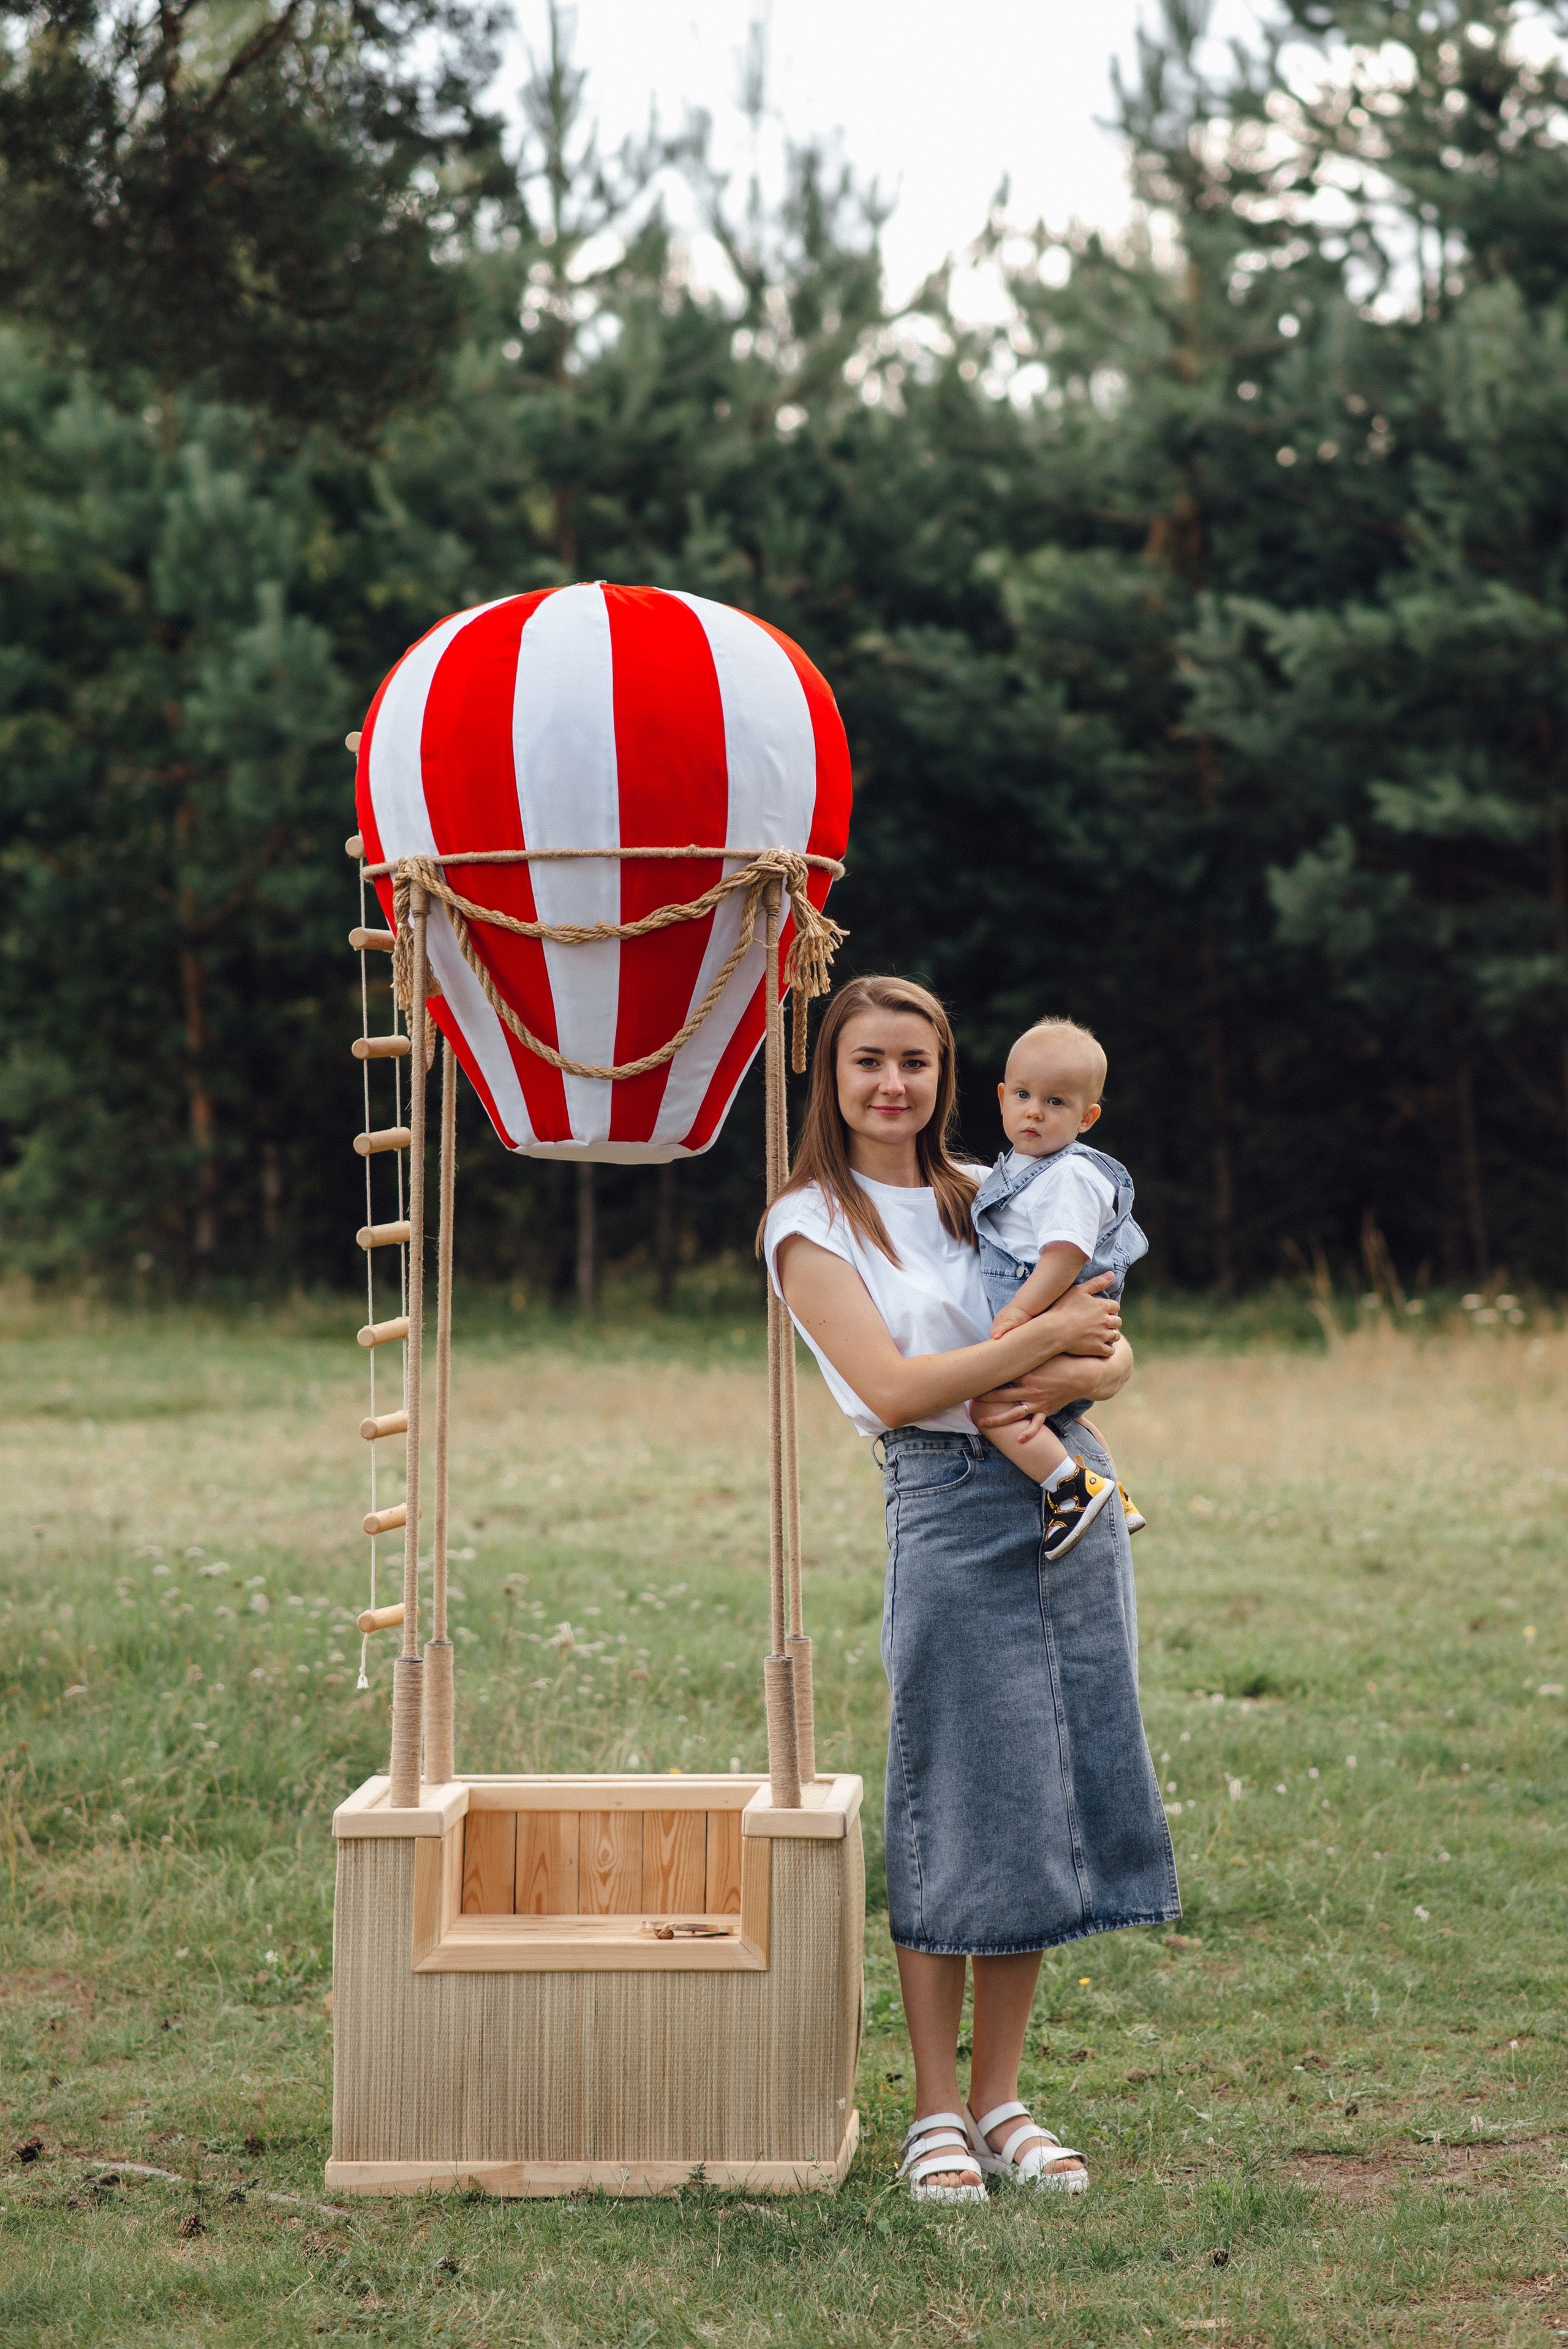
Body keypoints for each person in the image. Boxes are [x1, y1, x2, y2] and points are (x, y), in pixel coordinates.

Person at [763, 975, 1178, 2204]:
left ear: (950, 1079)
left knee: (1042, 1783)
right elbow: (894, 1391)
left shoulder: (991, 1191)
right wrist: (1036, 1351)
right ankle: (931, 2112)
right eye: (866, 1063)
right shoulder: (807, 1222)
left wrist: (1073, 1361)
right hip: (942, 1505)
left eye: (915, 1063)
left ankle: (1000, 2097)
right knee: (954, 1783)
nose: (892, 1086)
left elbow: (1108, 1332)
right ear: (829, 1079)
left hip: (1065, 1485)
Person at [968, 1016, 1150, 1559]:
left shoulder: (1068, 1175)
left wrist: (1023, 1311)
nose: (1033, 1111)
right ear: (1001, 1098)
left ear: (1087, 1117)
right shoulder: (1019, 1172)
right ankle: (1112, 1491)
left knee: (990, 1407)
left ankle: (1072, 1489)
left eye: (1055, 1103)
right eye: (1023, 1095)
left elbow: (1065, 1253)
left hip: (1055, 1313)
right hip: (1066, 1322)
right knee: (1065, 1414)